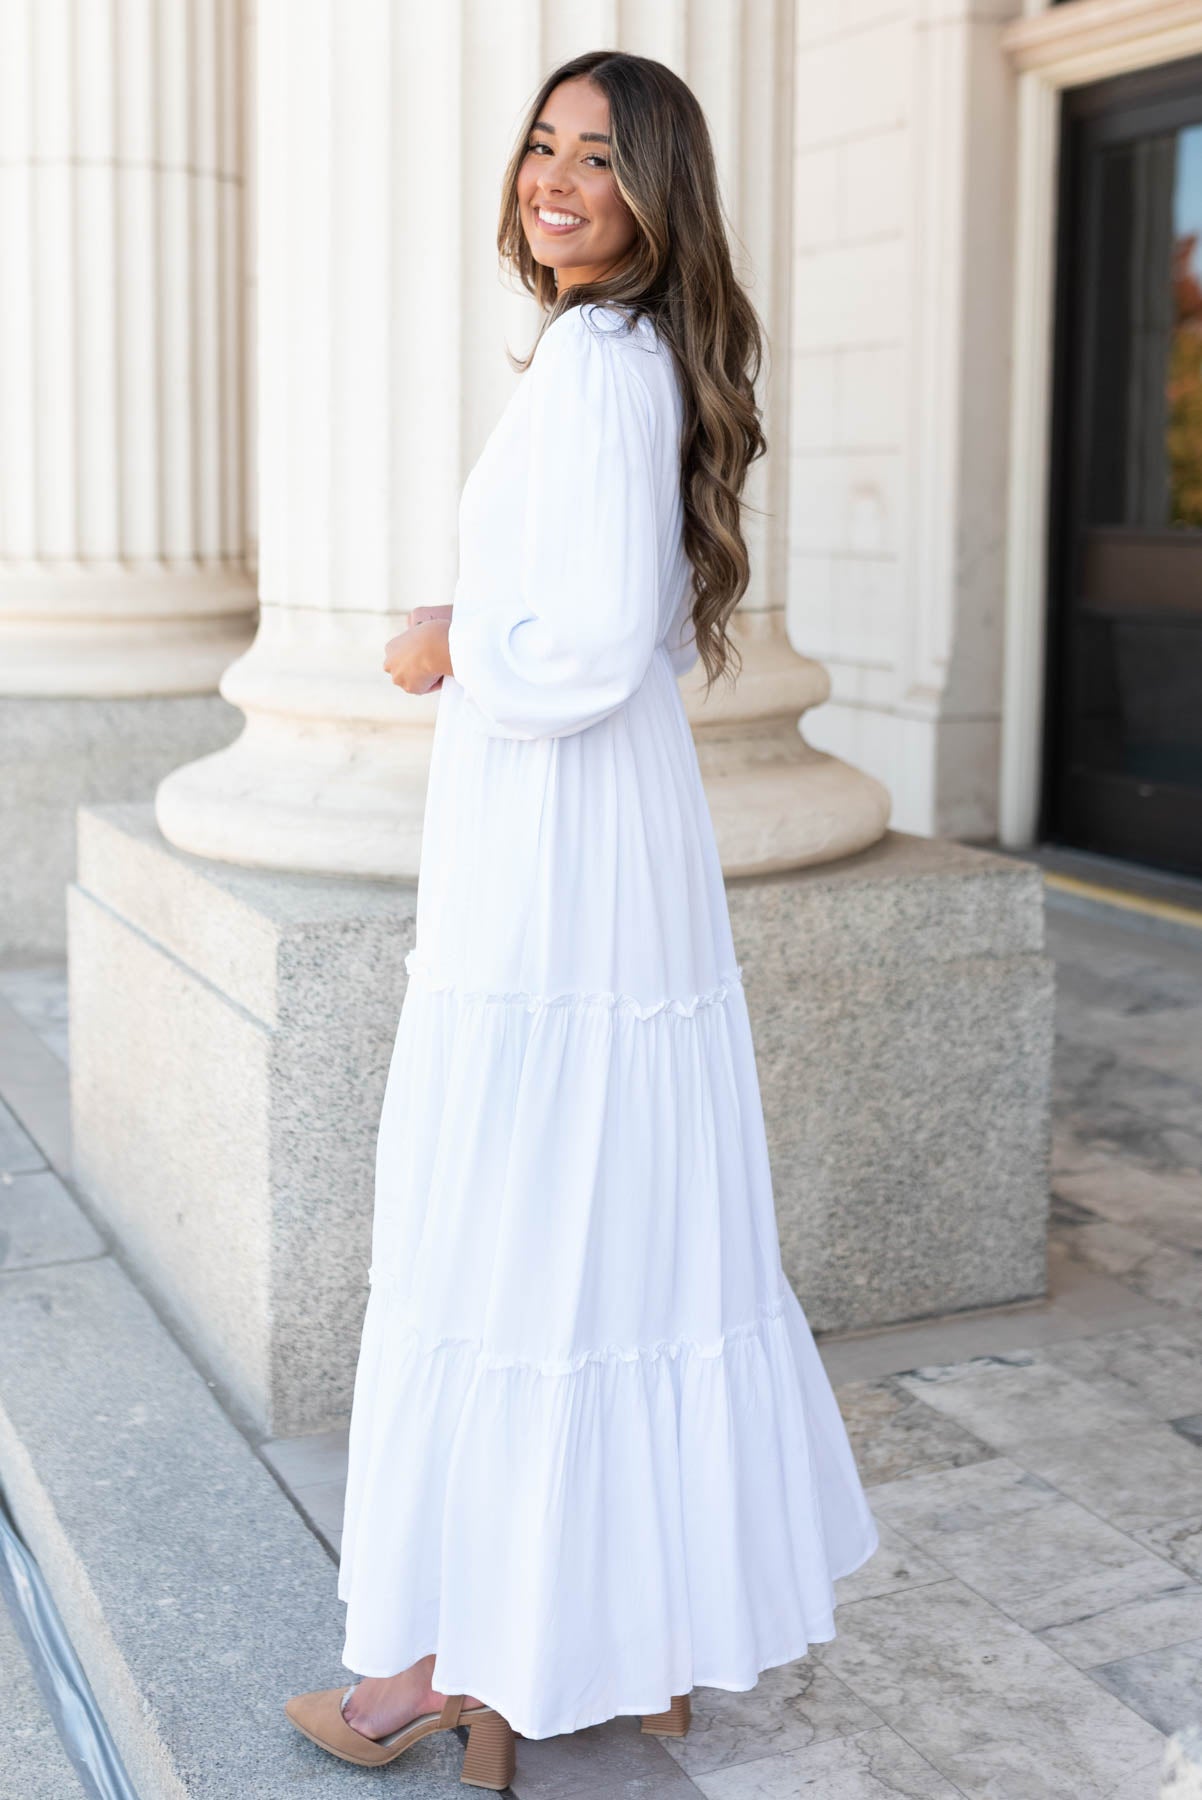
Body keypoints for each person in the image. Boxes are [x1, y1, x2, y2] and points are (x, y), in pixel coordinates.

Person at [284, 48, 879, 1788]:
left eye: (597, 157)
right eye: (542, 144)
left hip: (554, 862)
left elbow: (588, 641)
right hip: (586, 845)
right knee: (603, 1224)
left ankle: (450, 1669)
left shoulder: (599, 371)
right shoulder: (606, 359)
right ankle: (635, 1637)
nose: (554, 177)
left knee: (515, 1222)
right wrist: (476, 608)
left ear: (653, 194)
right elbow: (588, 602)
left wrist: (447, 642)